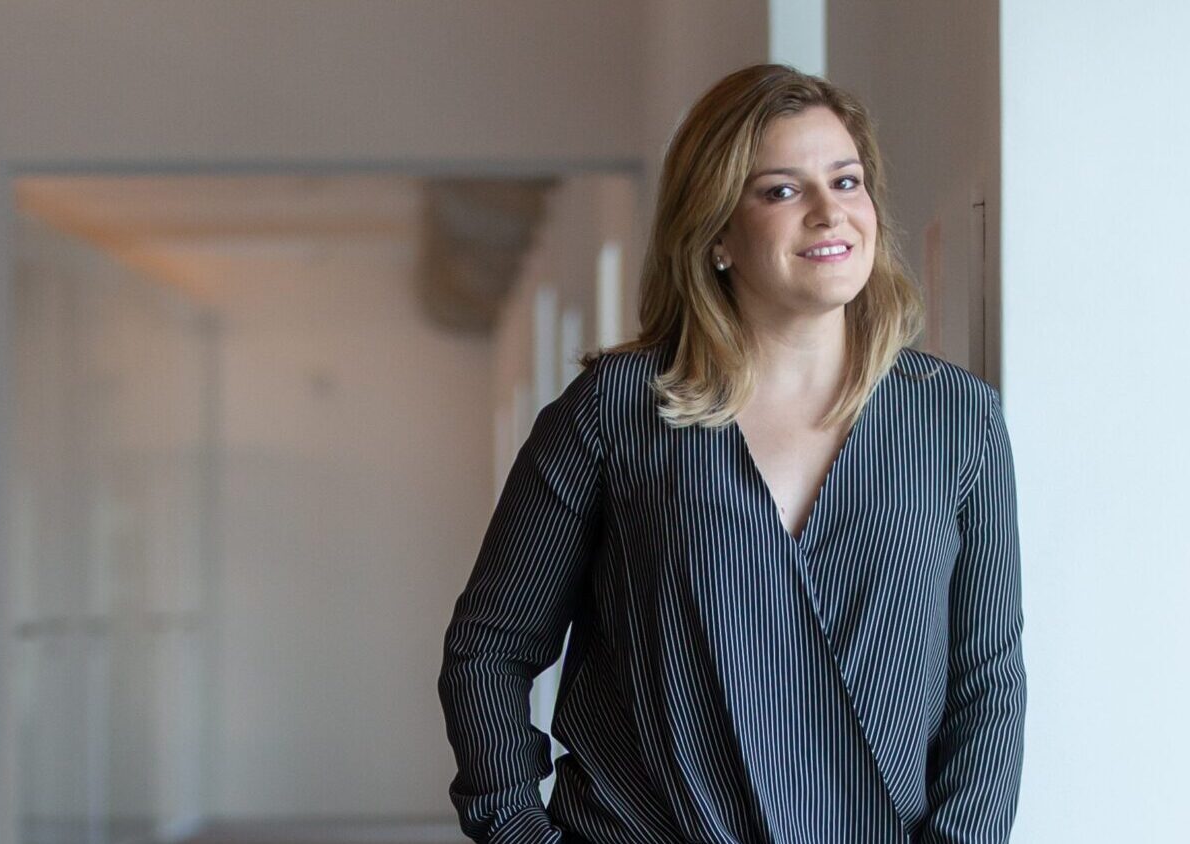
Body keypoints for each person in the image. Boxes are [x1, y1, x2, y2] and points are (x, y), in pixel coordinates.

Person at [439, 63, 1024, 844]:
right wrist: (515, 828)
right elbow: (490, 648)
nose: (829, 212)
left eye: (846, 181)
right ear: (716, 234)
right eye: (781, 191)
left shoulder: (957, 420)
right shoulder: (617, 412)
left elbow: (987, 689)